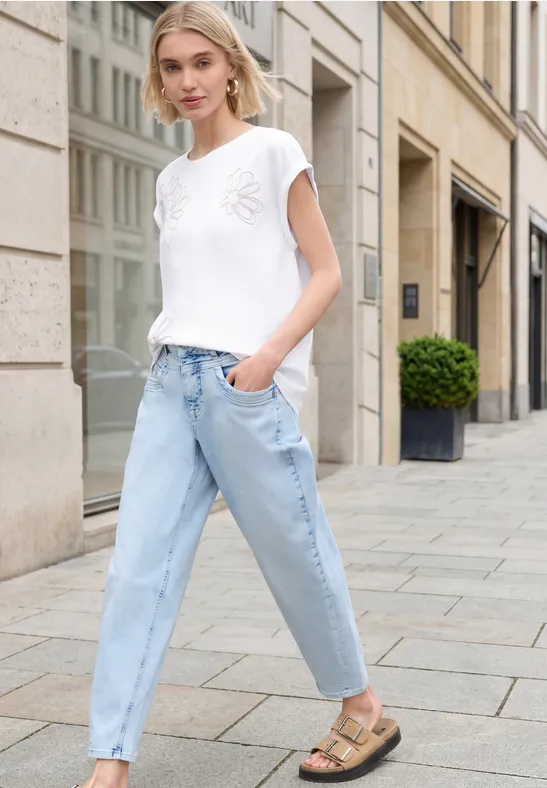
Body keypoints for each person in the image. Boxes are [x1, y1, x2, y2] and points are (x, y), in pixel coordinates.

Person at [77, 3, 400, 786]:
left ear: (230, 67)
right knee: (136, 568)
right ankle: (109, 762)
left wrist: (266, 359)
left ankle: (362, 709)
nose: (187, 81)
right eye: (171, 66)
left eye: (200, 63)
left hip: (241, 382)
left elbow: (325, 271)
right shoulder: (167, 179)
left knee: (294, 553)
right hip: (168, 382)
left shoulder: (273, 150)